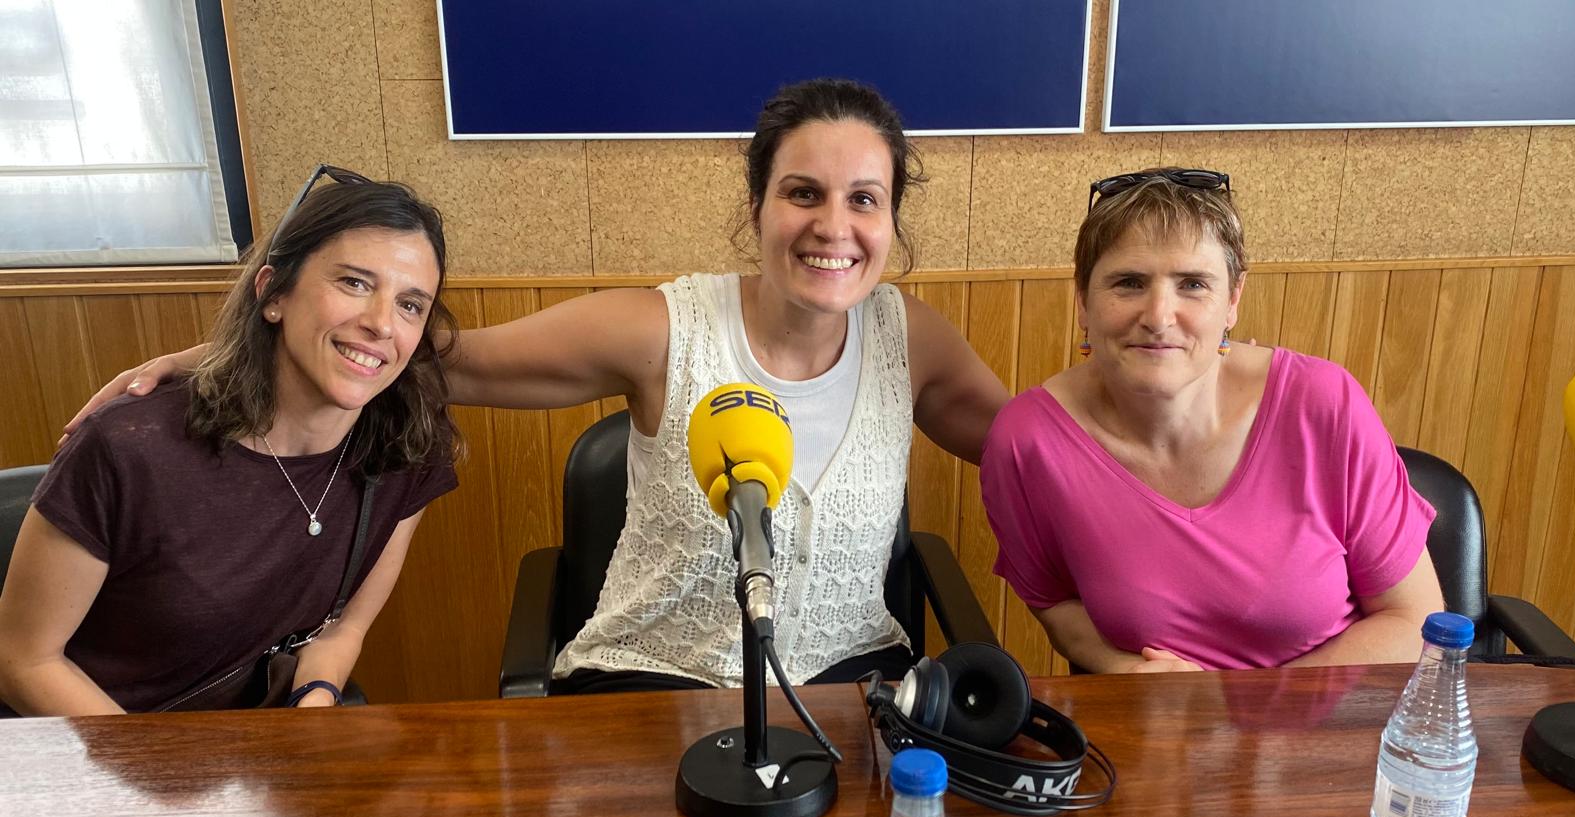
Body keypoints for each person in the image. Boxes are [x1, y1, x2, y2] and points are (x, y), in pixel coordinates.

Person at [58, 79, 1009, 694]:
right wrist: (222, 349)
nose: (832, 225)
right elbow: (432, 355)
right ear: (757, 204)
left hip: (855, 690)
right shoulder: (664, 328)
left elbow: (1029, 448)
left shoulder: (911, 340)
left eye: (863, 199)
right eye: (803, 192)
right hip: (654, 685)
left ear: (891, 221)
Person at [0, 168, 459, 715]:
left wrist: (313, 701)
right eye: (354, 283)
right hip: (98, 744)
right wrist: (154, 768)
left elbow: (342, 629)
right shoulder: (127, 448)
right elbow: (23, 661)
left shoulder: (404, 449)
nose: (382, 324)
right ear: (273, 294)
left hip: (253, 742)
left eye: (410, 304)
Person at [981, 168, 1443, 673]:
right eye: (1129, 283)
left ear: (1232, 301)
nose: (1159, 316)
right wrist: (1125, 671)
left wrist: (1243, 709)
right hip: (1152, 720)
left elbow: (1412, 621)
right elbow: (1054, 602)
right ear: (1083, 301)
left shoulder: (1324, 404)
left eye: (1193, 284)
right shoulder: (1027, 440)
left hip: (1332, 714)